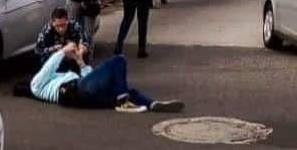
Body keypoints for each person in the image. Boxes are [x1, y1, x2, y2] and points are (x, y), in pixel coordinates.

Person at [29, 42, 184, 113]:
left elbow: (90, 79)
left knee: (130, 91)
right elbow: (47, 68)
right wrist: (62, 51)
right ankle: (123, 101)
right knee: (118, 60)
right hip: (75, 91)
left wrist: (80, 61)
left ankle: (153, 104)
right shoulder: (36, 84)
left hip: (83, 93)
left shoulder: (66, 74)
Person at [35, 7, 90, 72]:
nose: (61, 29)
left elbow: (86, 41)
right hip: (55, 60)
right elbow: (38, 50)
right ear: (53, 23)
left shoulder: (74, 25)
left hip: (75, 54)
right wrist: (54, 49)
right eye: (57, 26)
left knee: (84, 52)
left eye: (63, 25)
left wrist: (81, 51)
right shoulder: (47, 30)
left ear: (67, 21)